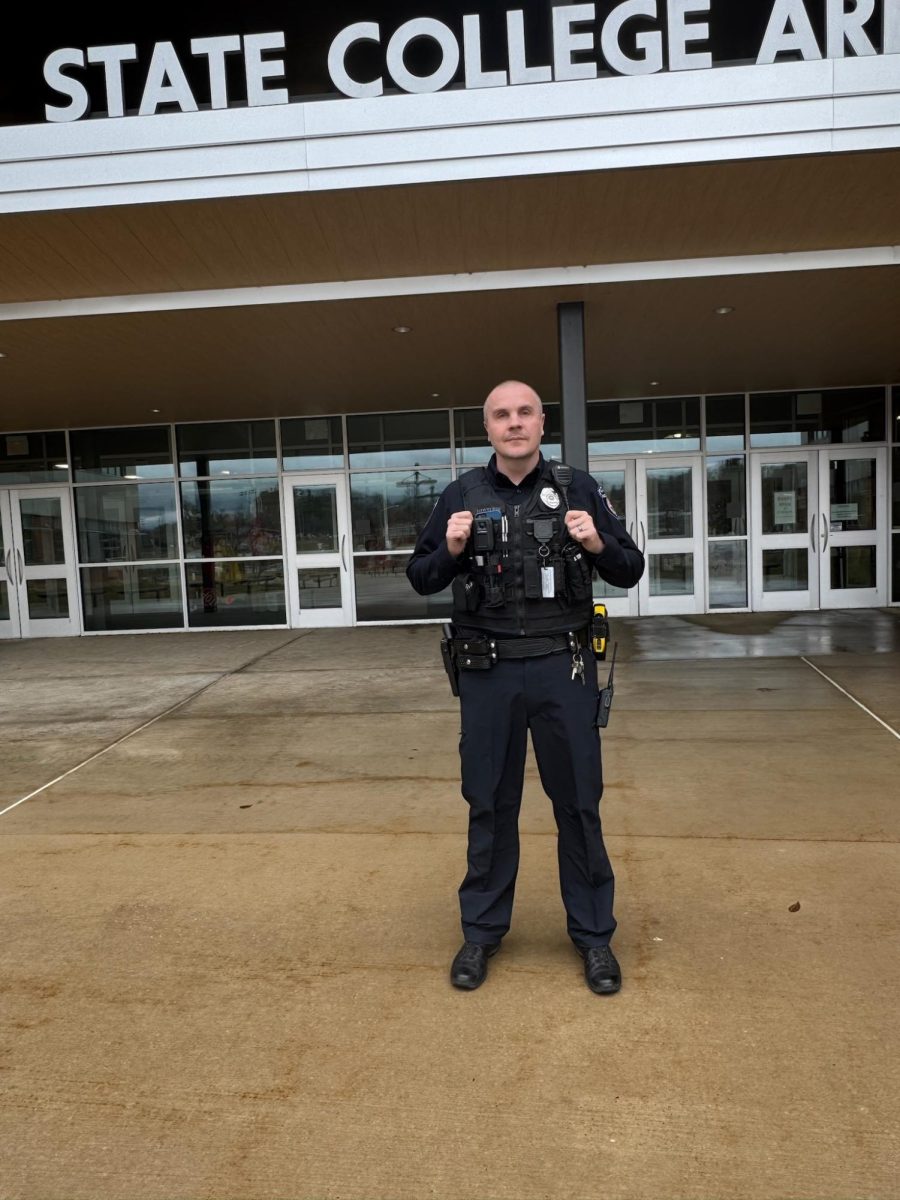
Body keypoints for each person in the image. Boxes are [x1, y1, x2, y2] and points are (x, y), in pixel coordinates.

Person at [406, 380, 645, 994]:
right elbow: (421, 576)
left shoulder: (577, 486)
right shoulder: (461, 493)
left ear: (542, 423)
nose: (514, 423)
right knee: (489, 803)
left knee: (579, 804)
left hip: (563, 668)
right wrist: (453, 547)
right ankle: (481, 932)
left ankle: (594, 939)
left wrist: (594, 541)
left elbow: (629, 567)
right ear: (487, 429)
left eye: (524, 413)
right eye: (501, 415)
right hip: (487, 671)